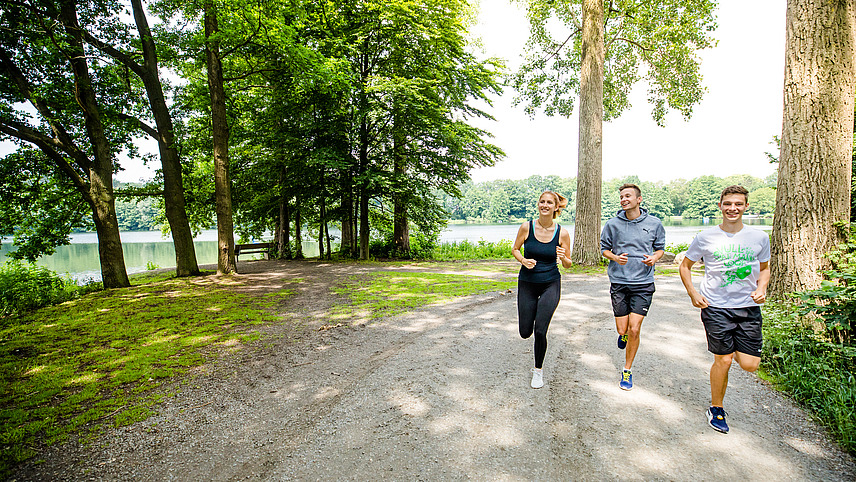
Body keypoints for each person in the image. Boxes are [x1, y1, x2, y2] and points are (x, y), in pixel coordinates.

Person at [679, 185, 771, 434]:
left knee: (750, 365)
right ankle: (716, 408)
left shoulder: (760, 237)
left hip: (748, 307)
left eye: (738, 204)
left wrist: (762, 288)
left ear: (746, 207)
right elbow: (685, 266)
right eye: (728, 203)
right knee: (724, 359)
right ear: (720, 206)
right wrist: (693, 294)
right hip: (715, 306)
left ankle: (738, 349)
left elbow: (764, 268)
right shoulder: (705, 237)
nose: (733, 208)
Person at [600, 183, 666, 390]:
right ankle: (623, 335)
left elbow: (660, 249)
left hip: (643, 283)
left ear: (639, 199)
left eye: (628, 196)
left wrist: (654, 258)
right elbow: (604, 249)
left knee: (635, 327)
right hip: (619, 282)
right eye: (621, 196)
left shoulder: (655, 223)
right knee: (623, 328)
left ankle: (627, 370)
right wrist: (615, 257)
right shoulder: (612, 224)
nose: (623, 199)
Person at [512, 190, 573, 389]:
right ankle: (529, 329)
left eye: (549, 203)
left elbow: (568, 264)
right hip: (527, 282)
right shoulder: (526, 227)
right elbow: (515, 249)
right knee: (524, 332)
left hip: (550, 283)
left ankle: (538, 371)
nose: (544, 205)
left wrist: (563, 257)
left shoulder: (562, 232)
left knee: (540, 330)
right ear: (538, 205)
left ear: (556, 207)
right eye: (542, 202)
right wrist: (523, 260)